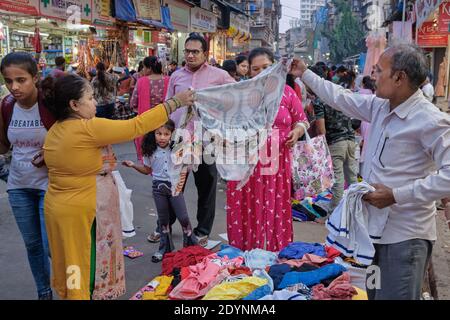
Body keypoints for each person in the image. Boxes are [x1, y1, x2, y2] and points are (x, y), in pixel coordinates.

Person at [291, 44, 450, 300]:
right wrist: (305, 73)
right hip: (372, 235)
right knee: (374, 294)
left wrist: (397, 195)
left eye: (378, 71)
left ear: (399, 77)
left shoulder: (430, 120)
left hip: (405, 237)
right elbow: (340, 97)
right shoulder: (380, 107)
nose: (373, 76)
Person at [41, 73, 194, 300]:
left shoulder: (56, 129)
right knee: (80, 264)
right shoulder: (87, 128)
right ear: (74, 105)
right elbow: (137, 125)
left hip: (58, 208)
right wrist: (175, 102)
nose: (95, 103)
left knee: (69, 263)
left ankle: (71, 294)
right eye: (91, 98)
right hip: (78, 212)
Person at [227, 47, 308, 251]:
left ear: (275, 67)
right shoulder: (240, 94)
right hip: (246, 164)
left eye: (266, 67)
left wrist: (297, 131)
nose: (262, 72)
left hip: (278, 164)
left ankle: (275, 253)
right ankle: (245, 254)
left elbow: (302, 120)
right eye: (256, 69)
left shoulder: (287, 93)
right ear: (248, 71)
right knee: (247, 209)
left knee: (276, 208)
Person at [165, 32, 235, 246]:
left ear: (205, 53)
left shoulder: (220, 76)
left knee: (206, 185)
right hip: (180, 138)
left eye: (195, 52)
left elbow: (235, 97)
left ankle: (202, 230)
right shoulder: (176, 76)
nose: (190, 55)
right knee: (173, 184)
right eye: (187, 51)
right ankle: (165, 225)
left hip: (207, 140)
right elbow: (168, 105)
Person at [0, 52, 56, 300]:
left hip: (51, 186)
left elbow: (76, 137)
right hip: (18, 186)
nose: (14, 87)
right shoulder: (6, 106)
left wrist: (50, 153)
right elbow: (3, 146)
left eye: (21, 80)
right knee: (33, 247)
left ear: (36, 77)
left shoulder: (51, 103)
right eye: (8, 81)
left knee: (52, 247)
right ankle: (44, 293)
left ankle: (74, 289)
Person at [122, 119, 198, 262]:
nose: (162, 137)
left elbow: (188, 165)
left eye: (166, 134)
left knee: (183, 218)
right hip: (158, 188)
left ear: (172, 135)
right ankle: (165, 249)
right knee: (163, 221)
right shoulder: (149, 150)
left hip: (175, 187)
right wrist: (133, 165)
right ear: (153, 134)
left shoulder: (177, 148)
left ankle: (190, 247)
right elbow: (147, 170)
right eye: (159, 133)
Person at [311, 67, 358, 212]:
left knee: (337, 179)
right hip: (351, 140)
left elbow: (321, 129)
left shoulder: (320, 101)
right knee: (352, 179)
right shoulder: (339, 94)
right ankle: (357, 209)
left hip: (336, 143)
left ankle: (333, 213)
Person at [131, 56, 170, 164]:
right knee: (165, 146)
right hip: (165, 120)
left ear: (149, 68)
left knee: (149, 148)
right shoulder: (168, 80)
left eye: (144, 67)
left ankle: (151, 167)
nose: (143, 70)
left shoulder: (141, 81)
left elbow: (133, 102)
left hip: (147, 121)